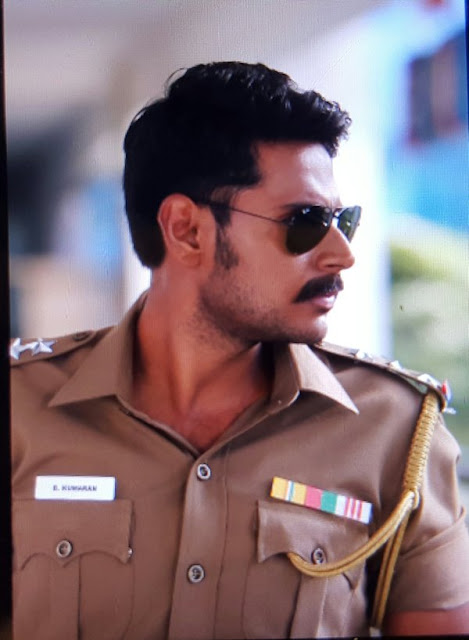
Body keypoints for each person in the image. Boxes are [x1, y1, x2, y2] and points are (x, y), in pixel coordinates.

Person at [10, 61, 469, 639]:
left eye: (342, 221)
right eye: (305, 222)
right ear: (187, 230)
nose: (342, 254)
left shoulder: (395, 428)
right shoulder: (19, 406)